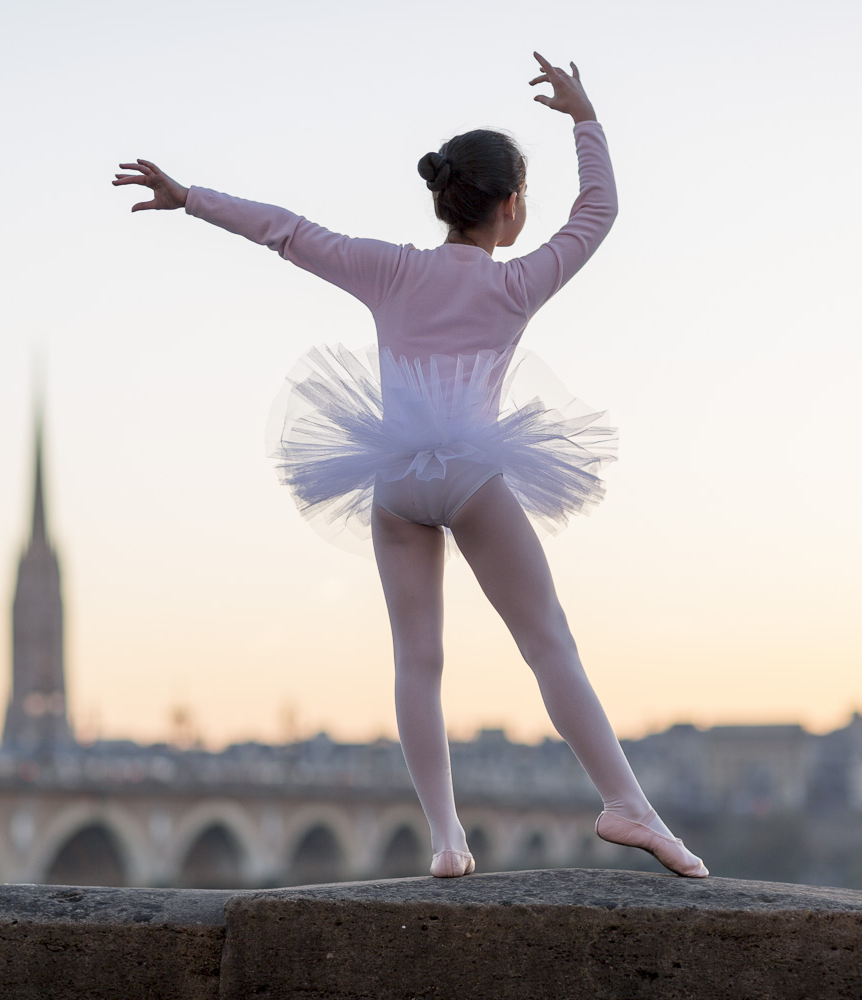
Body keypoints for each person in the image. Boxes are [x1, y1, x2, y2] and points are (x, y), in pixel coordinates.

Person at [114, 52, 708, 879]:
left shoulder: (390, 269)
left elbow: (288, 231)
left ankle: (445, 839)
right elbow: (598, 213)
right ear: (508, 209)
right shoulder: (517, 284)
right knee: (547, 645)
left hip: (393, 480)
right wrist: (585, 120)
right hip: (468, 471)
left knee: (417, 663)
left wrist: (191, 200)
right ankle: (627, 806)